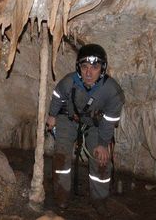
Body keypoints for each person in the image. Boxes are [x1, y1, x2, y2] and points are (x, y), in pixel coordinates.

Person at [46, 43, 125, 216]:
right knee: (61, 155)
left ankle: (99, 200)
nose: (89, 73)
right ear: (79, 68)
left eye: (94, 67)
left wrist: (103, 144)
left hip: (96, 125)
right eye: (84, 67)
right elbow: (58, 95)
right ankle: (62, 196)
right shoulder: (69, 81)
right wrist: (52, 115)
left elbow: (109, 120)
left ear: (102, 69)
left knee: (101, 160)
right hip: (69, 119)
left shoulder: (112, 91)